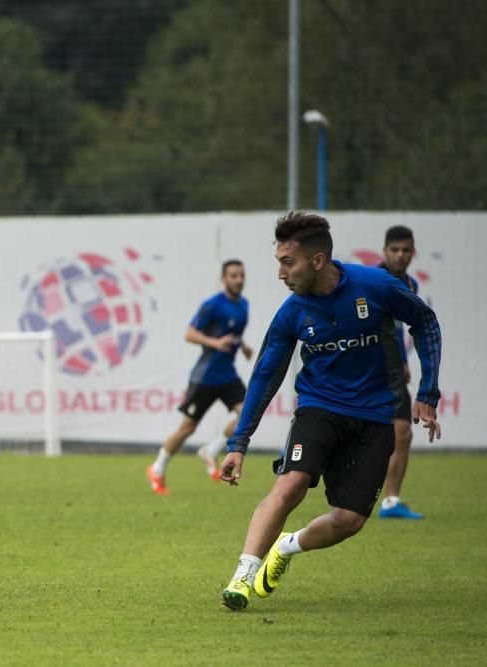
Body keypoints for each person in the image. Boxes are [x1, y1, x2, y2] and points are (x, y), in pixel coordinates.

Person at [218, 212, 441, 611]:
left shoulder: (375, 287)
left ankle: (285, 548)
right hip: (319, 408)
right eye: (278, 262)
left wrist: (428, 390)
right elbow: (265, 376)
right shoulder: (291, 313)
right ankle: (243, 576)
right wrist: (239, 442)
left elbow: (425, 322)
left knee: (350, 521)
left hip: (375, 416)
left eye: (288, 263)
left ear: (317, 261)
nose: (280, 273)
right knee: (291, 485)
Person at [146, 260, 253, 495]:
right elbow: (189, 334)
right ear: (223, 279)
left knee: (248, 414)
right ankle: (158, 467)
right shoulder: (212, 305)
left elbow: (232, 333)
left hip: (227, 375)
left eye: (241, 275)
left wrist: (242, 346)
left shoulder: (244, 305)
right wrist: (215, 343)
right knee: (187, 428)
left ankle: (211, 450)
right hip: (205, 377)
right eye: (233, 276)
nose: (238, 280)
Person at [377, 225, 424, 519]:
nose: (400, 255)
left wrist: (403, 360)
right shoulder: (373, 282)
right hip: (366, 369)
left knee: (402, 432)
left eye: (406, 250)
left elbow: (400, 330)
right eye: (394, 249)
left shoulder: (411, 286)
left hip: (393, 372)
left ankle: (391, 502)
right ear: (384, 251)